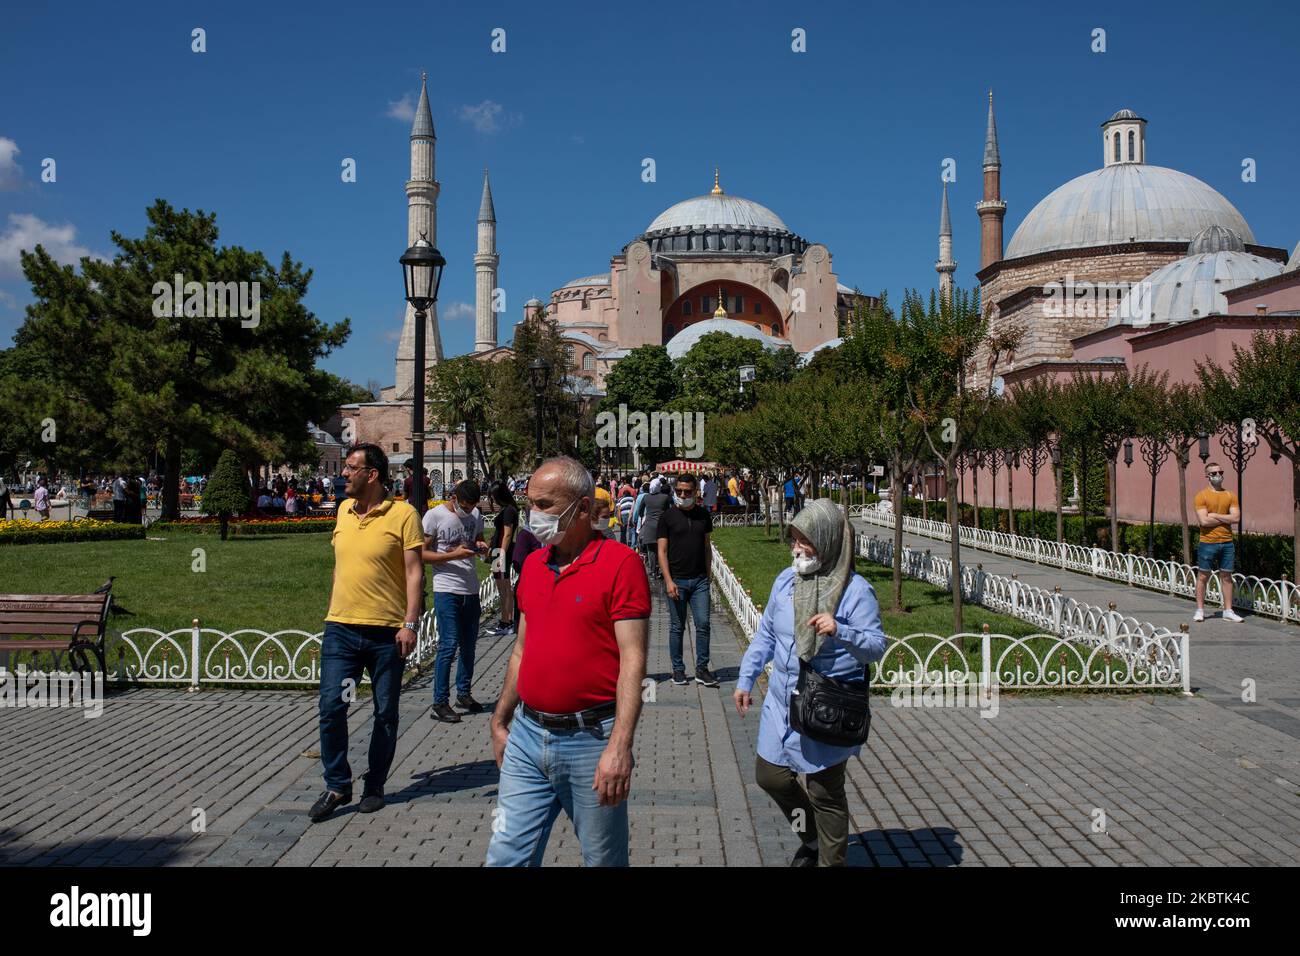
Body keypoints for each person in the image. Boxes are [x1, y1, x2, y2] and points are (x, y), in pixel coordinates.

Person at [486, 456, 650, 867]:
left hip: (591, 740)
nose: (532, 515)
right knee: (505, 854)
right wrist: (500, 718)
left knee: (602, 859)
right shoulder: (536, 566)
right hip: (527, 736)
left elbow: (633, 659)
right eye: (530, 504)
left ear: (579, 507)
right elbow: (522, 649)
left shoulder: (620, 565)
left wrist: (620, 746)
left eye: (543, 505)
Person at [734, 498, 886, 866]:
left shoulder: (855, 590)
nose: (798, 549)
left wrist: (842, 630)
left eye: (807, 541)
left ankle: (831, 858)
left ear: (830, 541)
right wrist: (745, 677)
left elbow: (876, 646)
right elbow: (766, 634)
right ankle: (812, 837)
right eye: (794, 540)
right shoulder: (787, 580)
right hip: (782, 699)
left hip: (826, 703)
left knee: (824, 791)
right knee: (769, 776)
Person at [311, 443, 425, 823]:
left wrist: (410, 623)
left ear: (371, 474)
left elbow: (414, 572)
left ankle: (374, 785)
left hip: (386, 633)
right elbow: (338, 565)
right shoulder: (343, 510)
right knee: (331, 707)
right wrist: (333, 606)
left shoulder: (404, 515)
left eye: (351, 468)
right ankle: (338, 784)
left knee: (385, 713)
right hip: (341, 629)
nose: (344, 474)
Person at [423, 478, 488, 722]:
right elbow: (422, 553)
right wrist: (453, 555)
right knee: (448, 644)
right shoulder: (435, 516)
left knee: (469, 645)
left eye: (472, 506)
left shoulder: (476, 515)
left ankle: (464, 693)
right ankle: (440, 702)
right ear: (454, 498)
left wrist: (481, 545)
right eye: (465, 505)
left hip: (470, 588)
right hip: (446, 588)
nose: (468, 510)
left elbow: (478, 539)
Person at [657, 473, 718, 687]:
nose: (683, 495)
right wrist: (668, 580)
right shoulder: (668, 517)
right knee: (677, 627)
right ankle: (678, 669)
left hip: (700, 580)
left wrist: (708, 574)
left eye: (687, 492)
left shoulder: (703, 515)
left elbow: (706, 545)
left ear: (695, 492)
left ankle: (702, 668)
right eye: (679, 491)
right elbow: (662, 551)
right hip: (677, 581)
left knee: (703, 624)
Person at [1194, 461, 1244, 623]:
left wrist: (1215, 515)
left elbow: (1236, 518)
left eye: (1220, 472)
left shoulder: (1230, 495)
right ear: (1207, 476)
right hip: (1207, 542)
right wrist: (1225, 519)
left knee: (1227, 576)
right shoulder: (1201, 496)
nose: (1218, 475)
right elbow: (1203, 522)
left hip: (1227, 542)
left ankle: (1228, 610)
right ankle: (1200, 610)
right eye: (1214, 473)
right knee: (1203, 576)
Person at [489, 481, 519, 634]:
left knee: (503, 588)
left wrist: (501, 553)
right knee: (504, 586)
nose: (493, 500)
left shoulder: (508, 511)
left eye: (494, 496)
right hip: (498, 552)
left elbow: (507, 534)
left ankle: (505, 621)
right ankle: (507, 620)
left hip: (500, 553)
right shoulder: (509, 509)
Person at [638, 478, 670, 580]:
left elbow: (640, 511)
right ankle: (662, 570)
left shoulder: (646, 497)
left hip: (649, 526)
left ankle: (653, 571)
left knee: (651, 550)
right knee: (663, 549)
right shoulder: (665, 497)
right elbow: (667, 511)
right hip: (662, 526)